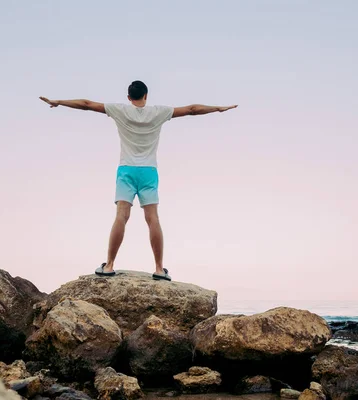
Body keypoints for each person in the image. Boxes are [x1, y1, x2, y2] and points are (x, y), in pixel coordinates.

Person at [40, 81, 237, 281]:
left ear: (128, 97)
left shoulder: (120, 110)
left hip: (126, 170)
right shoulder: (159, 112)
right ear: (146, 95)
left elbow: (86, 104)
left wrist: (59, 102)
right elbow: (192, 110)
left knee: (121, 217)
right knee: (153, 219)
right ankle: (160, 269)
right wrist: (218, 109)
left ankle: (108, 266)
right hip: (149, 172)